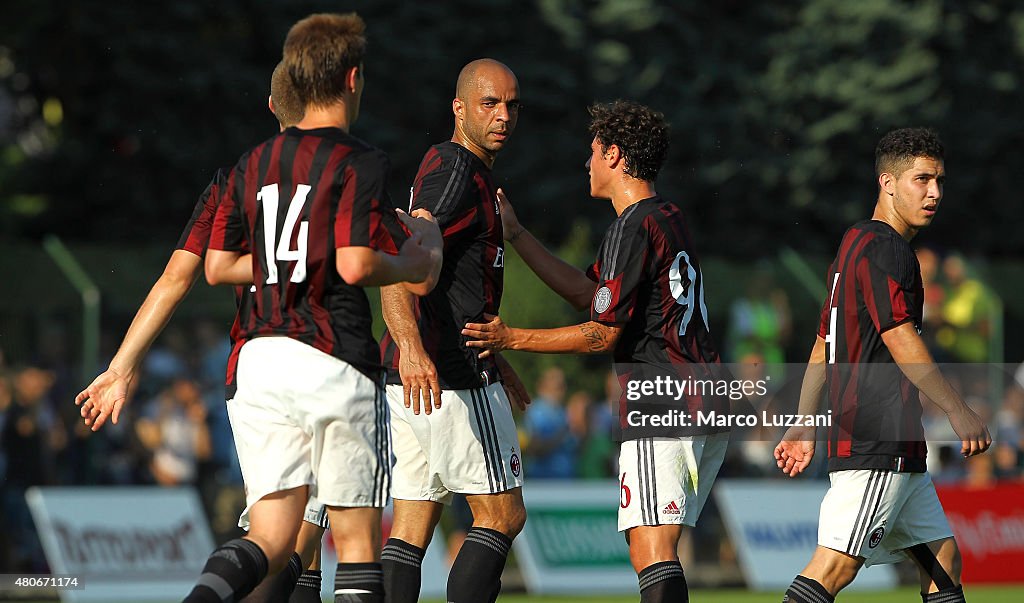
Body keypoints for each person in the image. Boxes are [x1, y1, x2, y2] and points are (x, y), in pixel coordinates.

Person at [186, 13, 442, 603]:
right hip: (332, 358)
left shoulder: (253, 163)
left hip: (259, 359)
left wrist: (293, 260)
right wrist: (415, 262)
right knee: (354, 540)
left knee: (272, 537)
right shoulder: (360, 160)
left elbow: (218, 267)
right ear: (353, 78)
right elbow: (355, 264)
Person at [74, 61, 329, 603]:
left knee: (282, 539)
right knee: (306, 537)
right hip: (319, 359)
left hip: (251, 370)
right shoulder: (343, 172)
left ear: (270, 107)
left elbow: (175, 278)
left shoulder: (236, 178)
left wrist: (120, 368)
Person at [462, 100, 729, 603]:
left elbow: (601, 332)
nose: (587, 164)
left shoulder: (632, 225)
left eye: (592, 152)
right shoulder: (665, 216)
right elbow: (592, 295)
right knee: (654, 544)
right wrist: (516, 234)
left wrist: (510, 337)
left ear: (614, 155)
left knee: (650, 546)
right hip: (702, 396)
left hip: (662, 399)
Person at [773, 127, 991, 603]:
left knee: (941, 556)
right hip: (877, 439)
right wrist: (957, 409)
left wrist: (804, 423)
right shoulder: (889, 248)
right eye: (922, 180)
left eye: (939, 181)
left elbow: (820, 345)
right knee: (832, 569)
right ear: (887, 183)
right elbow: (899, 336)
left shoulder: (853, 244)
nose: (934, 192)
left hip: (895, 447)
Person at [377, 58, 529, 603]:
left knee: (413, 522)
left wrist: (501, 359)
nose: (504, 116)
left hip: (421, 376)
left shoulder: (462, 171)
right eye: (490, 103)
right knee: (503, 516)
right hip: (452, 375)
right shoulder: (457, 170)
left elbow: (453, 283)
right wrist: (412, 346)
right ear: (459, 108)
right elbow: (402, 251)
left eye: (512, 104)